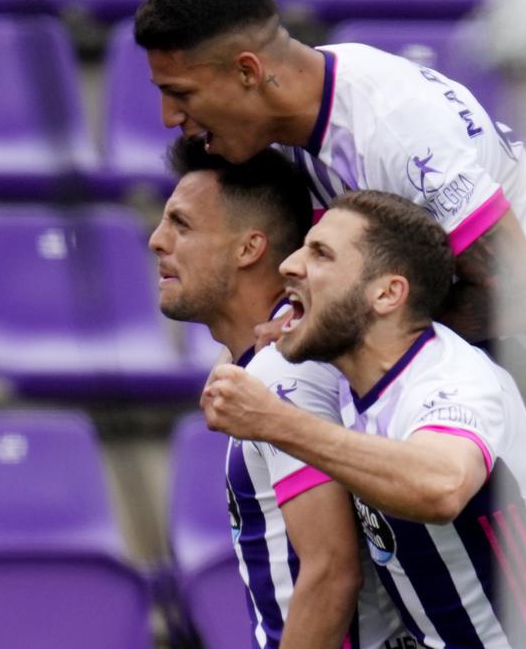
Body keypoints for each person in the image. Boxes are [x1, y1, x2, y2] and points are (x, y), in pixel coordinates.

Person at [135, 0, 526, 623]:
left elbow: (515, 297)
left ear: (246, 72)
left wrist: (322, 328)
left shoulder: (391, 129)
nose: (170, 116)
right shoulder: (311, 111)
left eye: (180, 92)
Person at [203, 190, 526, 649]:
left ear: (387, 294)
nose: (290, 265)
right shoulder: (353, 379)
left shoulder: (453, 381)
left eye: (321, 254)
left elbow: (441, 486)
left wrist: (275, 421)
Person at [149, 136, 408, 648]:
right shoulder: (266, 363)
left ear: (249, 248)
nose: (158, 240)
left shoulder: (282, 378)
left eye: (181, 224)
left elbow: (332, 572)